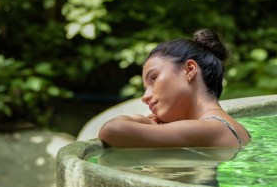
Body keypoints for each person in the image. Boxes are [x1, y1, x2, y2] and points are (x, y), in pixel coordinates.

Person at [98, 29, 251, 148]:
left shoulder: (211, 128)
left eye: (154, 78)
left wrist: (143, 121)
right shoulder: (227, 127)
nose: (145, 97)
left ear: (189, 69)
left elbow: (112, 130)